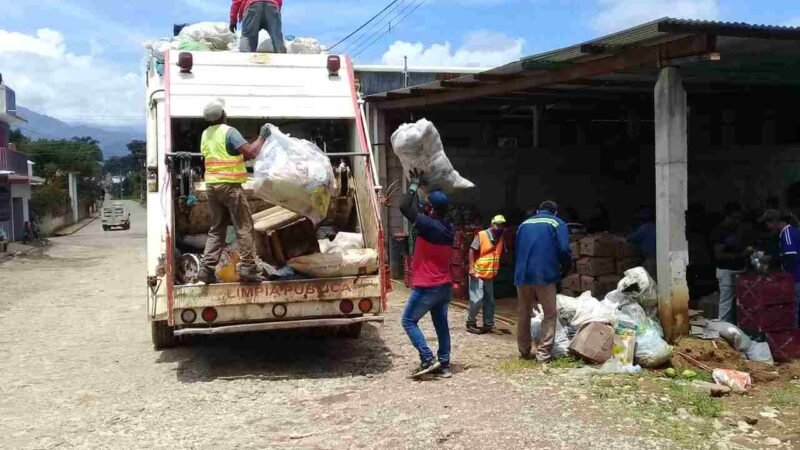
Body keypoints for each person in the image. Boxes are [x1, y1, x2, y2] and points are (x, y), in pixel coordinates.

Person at [197, 99, 269, 284]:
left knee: (217, 230)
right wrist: (262, 136)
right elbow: (251, 153)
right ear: (223, 115)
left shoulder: (206, 134)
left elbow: (225, 155)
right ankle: (249, 269)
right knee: (244, 226)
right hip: (229, 186)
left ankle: (205, 271)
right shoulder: (229, 132)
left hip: (212, 186)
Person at [399, 169, 454, 379]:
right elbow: (417, 209)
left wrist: (414, 183)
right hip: (444, 286)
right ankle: (445, 364)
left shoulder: (429, 225)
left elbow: (404, 206)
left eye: (427, 206)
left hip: (428, 286)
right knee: (441, 325)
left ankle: (427, 358)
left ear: (431, 209)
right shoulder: (447, 228)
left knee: (408, 321)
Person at [514, 200, 572, 362]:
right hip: (544, 274)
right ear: (555, 212)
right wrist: (565, 269)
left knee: (524, 311)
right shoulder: (557, 223)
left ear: (538, 210)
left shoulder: (523, 225)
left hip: (522, 274)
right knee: (550, 313)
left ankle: (524, 350)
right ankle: (543, 353)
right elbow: (563, 249)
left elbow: (517, 249)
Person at [466, 215, 507, 334]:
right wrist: (471, 268)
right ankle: (471, 322)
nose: (500, 227)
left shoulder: (501, 237)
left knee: (490, 301)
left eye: (502, 225)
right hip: (478, 272)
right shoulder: (482, 235)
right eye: (497, 224)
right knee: (477, 299)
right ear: (492, 224)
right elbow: (471, 250)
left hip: (489, 274)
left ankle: (488, 324)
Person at [712, 202, 749, 323]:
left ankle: (738, 330)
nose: (737, 221)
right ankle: (723, 332)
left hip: (740, 269)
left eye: (739, 218)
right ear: (727, 216)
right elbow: (719, 255)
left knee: (741, 303)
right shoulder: (719, 231)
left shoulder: (738, 230)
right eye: (735, 218)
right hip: (726, 271)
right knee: (726, 304)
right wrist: (740, 255)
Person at [762, 209, 800, 327]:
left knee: (794, 311)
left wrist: (773, 260)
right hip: (795, 277)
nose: (768, 227)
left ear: (775, 222)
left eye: (768, 224)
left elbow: (790, 256)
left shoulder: (787, 232)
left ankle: (793, 339)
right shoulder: (789, 232)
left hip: (796, 278)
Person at [629, 206, 657, 277]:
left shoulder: (644, 228)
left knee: (649, 279)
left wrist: (630, 231)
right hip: (656, 258)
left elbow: (632, 238)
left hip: (651, 258)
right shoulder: (655, 226)